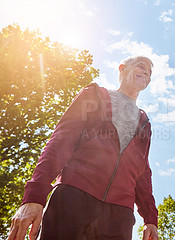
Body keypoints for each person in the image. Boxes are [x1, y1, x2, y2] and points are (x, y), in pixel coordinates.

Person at [7, 56, 159, 240]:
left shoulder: (145, 123)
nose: (145, 73)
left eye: (149, 73)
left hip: (120, 216)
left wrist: (150, 218)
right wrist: (34, 196)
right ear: (122, 68)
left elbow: (143, 172)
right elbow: (61, 141)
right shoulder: (94, 95)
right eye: (141, 66)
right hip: (73, 198)